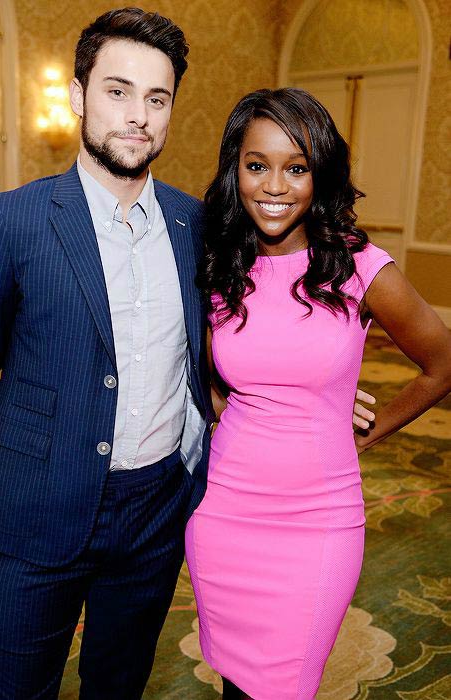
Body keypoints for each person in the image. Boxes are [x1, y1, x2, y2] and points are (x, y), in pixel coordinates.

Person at [0, 8, 374, 698]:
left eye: (157, 97)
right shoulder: (12, 220)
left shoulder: (196, 226)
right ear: (79, 96)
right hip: (37, 516)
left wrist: (313, 391)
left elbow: (257, 318)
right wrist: (21, 462)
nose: (138, 115)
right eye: (117, 91)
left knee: (119, 686)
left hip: (156, 513)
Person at [185, 87, 451, 700]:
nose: (275, 185)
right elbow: (201, 365)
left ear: (319, 175)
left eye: (296, 167)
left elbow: (441, 364)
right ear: (235, 171)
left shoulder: (359, 267)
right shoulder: (219, 263)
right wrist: (230, 402)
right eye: (257, 166)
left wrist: (369, 425)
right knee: (236, 684)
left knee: (286, 685)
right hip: (225, 515)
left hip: (318, 523)